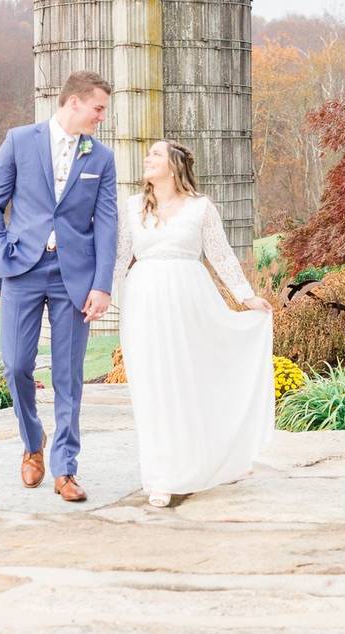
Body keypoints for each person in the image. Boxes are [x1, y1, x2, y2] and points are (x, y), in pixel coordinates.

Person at [114, 140, 276, 507]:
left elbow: (220, 254)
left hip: (191, 300)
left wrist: (245, 296)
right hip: (144, 302)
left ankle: (218, 458)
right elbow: (120, 258)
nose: (147, 159)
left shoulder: (200, 208)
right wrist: (105, 299)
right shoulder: (133, 207)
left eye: (154, 154)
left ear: (173, 166)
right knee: (153, 385)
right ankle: (162, 475)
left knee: (193, 380)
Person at [0, 71, 118, 502]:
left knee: (68, 375)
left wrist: (102, 284)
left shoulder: (102, 157)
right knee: (16, 364)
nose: (101, 118)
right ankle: (32, 441)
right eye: (98, 109)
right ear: (73, 102)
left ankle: (65, 469)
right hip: (22, 269)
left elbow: (108, 224)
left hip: (73, 276)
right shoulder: (20, 140)